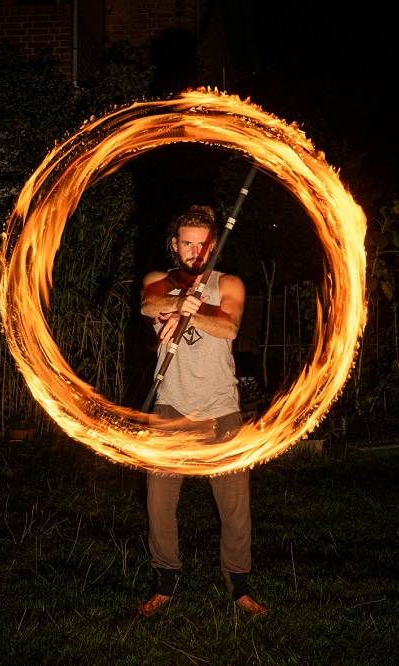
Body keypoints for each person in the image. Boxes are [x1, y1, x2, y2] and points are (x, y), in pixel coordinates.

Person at [136, 204, 267, 617]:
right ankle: (165, 583)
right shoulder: (158, 280)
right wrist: (181, 301)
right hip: (170, 406)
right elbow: (147, 306)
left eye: (203, 244)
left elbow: (229, 326)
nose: (195, 251)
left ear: (213, 247)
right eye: (188, 243)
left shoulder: (229, 283)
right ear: (175, 246)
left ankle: (239, 587)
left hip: (221, 407)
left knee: (235, 506)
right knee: (159, 502)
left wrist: (201, 308)